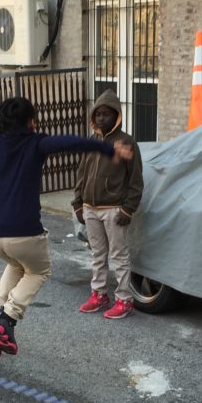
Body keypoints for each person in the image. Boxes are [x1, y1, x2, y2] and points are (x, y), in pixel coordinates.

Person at [0, 96, 133, 358]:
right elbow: (72, 142)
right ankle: (8, 318)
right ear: (27, 121)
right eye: (34, 118)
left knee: (16, 264)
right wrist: (109, 149)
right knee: (39, 271)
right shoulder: (36, 143)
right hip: (24, 233)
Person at [71, 89, 144, 320]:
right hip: (91, 209)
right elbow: (81, 174)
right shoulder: (91, 142)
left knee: (119, 256)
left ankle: (124, 299)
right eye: (98, 114)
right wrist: (78, 204)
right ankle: (99, 294)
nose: (102, 118)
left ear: (117, 116)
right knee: (97, 254)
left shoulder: (126, 142)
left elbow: (136, 179)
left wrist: (128, 208)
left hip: (114, 210)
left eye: (107, 114)